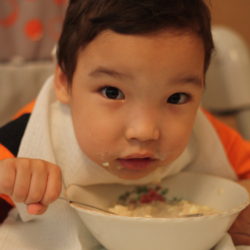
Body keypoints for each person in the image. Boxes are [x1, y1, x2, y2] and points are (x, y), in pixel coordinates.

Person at [0, 0, 250, 248]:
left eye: (176, 98)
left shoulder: (204, 136)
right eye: (112, 92)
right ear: (65, 83)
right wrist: (14, 179)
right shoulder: (27, 140)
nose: (144, 132)